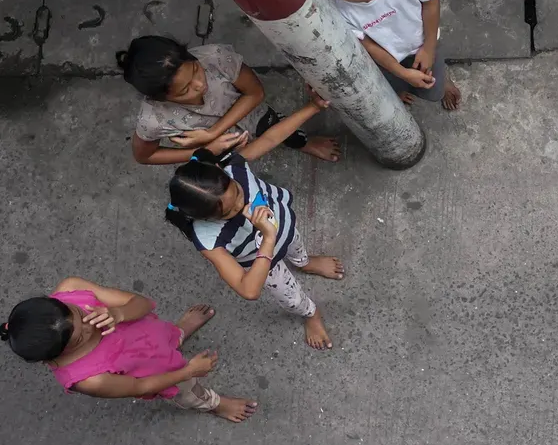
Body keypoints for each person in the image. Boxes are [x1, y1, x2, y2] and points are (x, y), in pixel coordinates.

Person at [164, 88, 346, 351]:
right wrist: (268, 239)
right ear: (204, 217)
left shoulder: (231, 165)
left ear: (219, 170)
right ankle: (311, 314)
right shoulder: (207, 238)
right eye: (229, 210)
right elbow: (248, 289)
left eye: (237, 192)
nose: (243, 204)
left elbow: (271, 138)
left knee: (295, 242)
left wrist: (313, 107)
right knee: (291, 297)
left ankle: (303, 262)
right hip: (264, 262)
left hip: (284, 224)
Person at [3, 276, 256, 423]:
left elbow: (142, 304)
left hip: (150, 335)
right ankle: (215, 404)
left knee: (165, 334)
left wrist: (119, 313)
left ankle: (178, 333)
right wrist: (189, 371)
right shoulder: (89, 380)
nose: (91, 324)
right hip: (164, 374)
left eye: (80, 314)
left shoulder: (71, 289)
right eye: (81, 338)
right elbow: (141, 387)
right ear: (57, 356)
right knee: (190, 392)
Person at [117, 36, 341, 165]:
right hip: (223, 155)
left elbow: (255, 93)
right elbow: (145, 155)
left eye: (196, 70)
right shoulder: (153, 119)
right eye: (185, 90)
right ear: (159, 98)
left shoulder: (214, 57)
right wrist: (205, 152)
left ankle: (302, 142)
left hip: (253, 114)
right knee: (272, 136)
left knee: (276, 126)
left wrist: (213, 133)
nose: (200, 85)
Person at [303, 0, 461, 111]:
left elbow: (430, 2)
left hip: (425, 41)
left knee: (434, 86)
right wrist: (402, 73)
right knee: (393, 84)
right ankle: (402, 90)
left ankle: (443, 85)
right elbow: (368, 45)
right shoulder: (333, 9)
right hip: (385, 60)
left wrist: (429, 48)